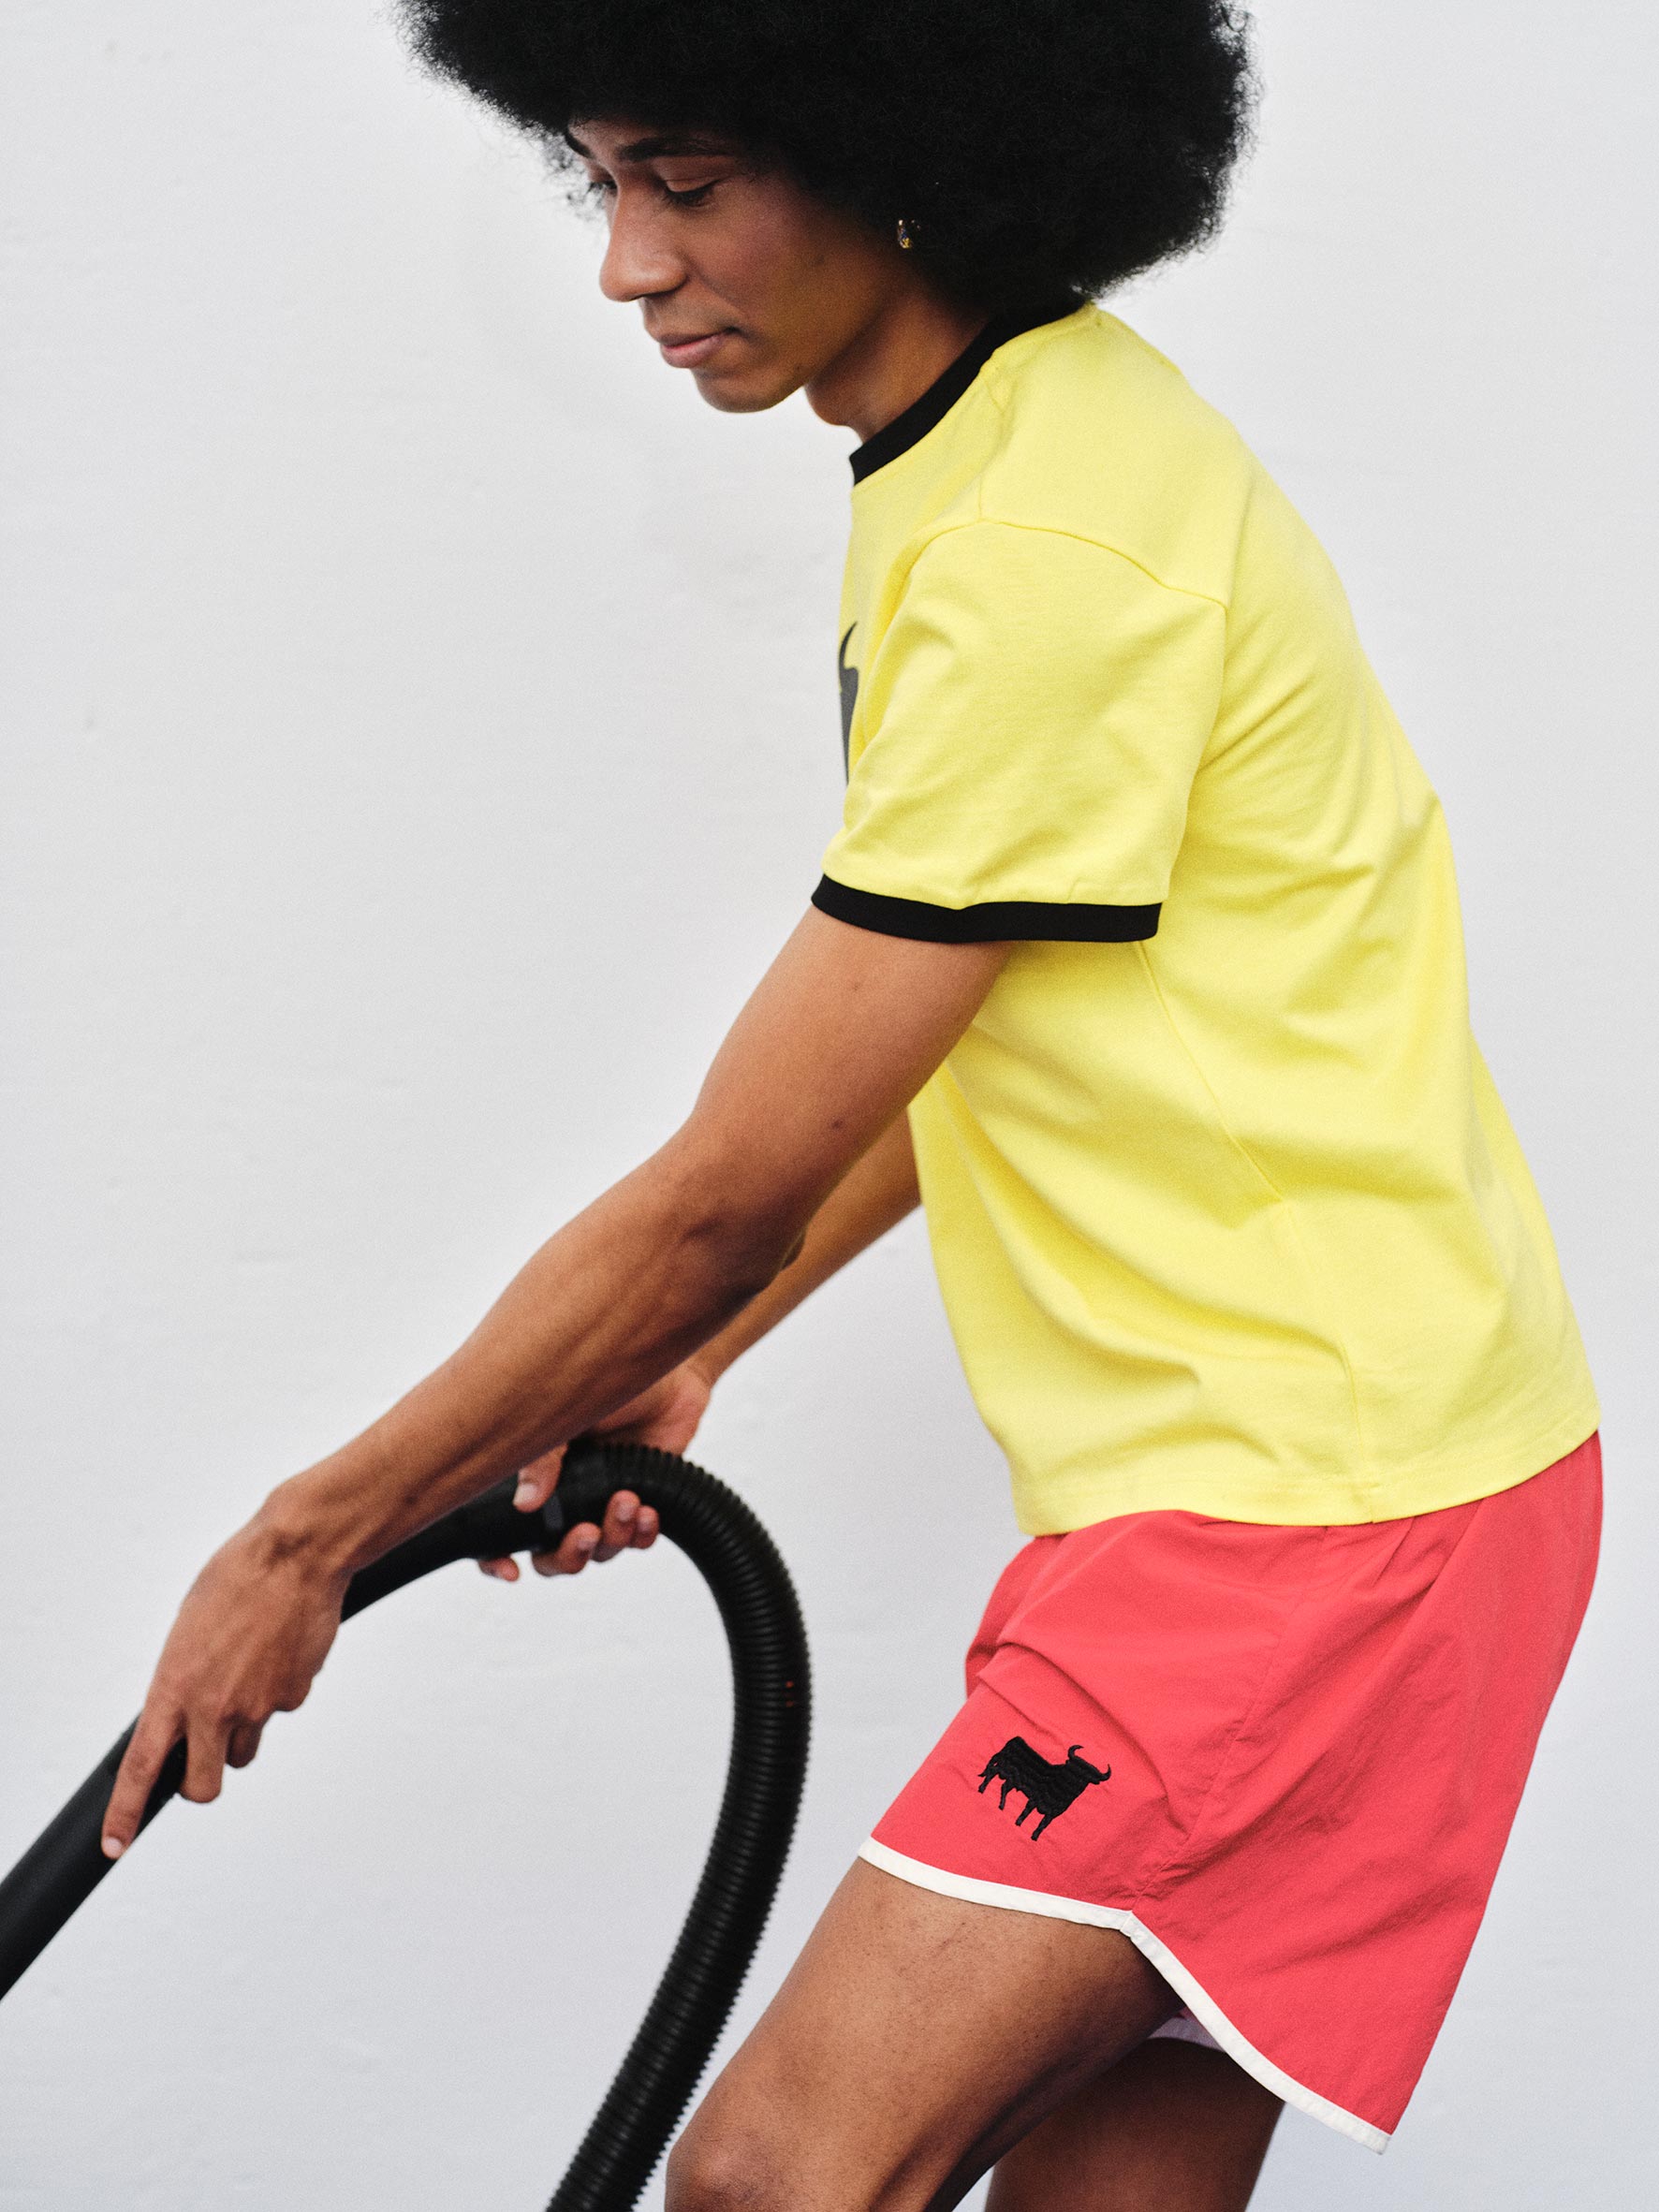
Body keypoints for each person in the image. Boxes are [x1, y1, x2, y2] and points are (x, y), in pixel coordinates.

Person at [99, 4, 1602, 2205]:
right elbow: (983, 1037)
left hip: (1304, 1531)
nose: (626, 261)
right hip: (1353, 1484)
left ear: (906, 157)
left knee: (777, 2179)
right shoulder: (1015, 448)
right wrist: (687, 1351)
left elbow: (729, 1183)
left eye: (688, 183)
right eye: (600, 179)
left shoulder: (1044, 552)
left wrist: (301, 1544)